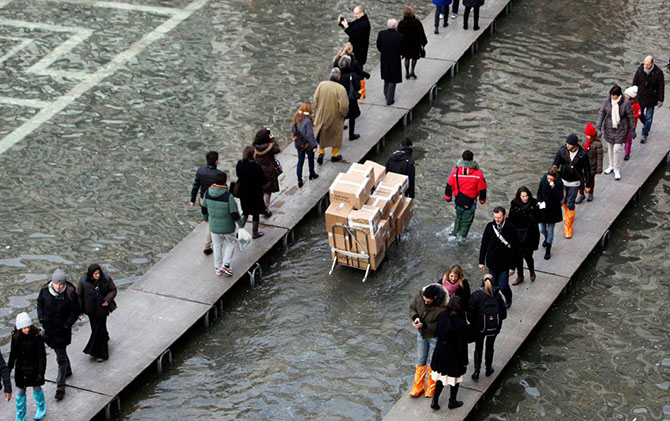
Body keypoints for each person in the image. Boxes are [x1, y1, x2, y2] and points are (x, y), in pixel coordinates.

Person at [36, 268, 80, 400]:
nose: (59, 287)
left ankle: (60, 387)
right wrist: (41, 318)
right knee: (59, 351)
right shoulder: (44, 291)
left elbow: (75, 311)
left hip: (62, 330)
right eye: (57, 284)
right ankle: (68, 370)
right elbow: (39, 304)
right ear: (53, 282)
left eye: (61, 284)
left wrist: (67, 324)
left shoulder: (70, 293)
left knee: (60, 357)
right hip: (49, 328)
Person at [202, 172, 245, 276]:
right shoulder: (228, 196)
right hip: (227, 227)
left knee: (217, 246)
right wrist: (241, 224)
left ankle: (217, 268)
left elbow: (204, 209)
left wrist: (206, 219)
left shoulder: (207, 193)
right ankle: (225, 265)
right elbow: (234, 213)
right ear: (225, 182)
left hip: (213, 227)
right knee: (231, 243)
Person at [429, 296, 469, 410]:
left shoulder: (441, 316)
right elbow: (463, 344)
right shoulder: (461, 324)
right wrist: (464, 362)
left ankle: (435, 401)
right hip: (455, 357)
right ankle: (452, 401)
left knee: (441, 379)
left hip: (441, 354)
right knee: (455, 380)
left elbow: (436, 333)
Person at [408, 284, 448, 398]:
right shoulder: (420, 296)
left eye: (428, 301)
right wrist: (415, 317)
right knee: (421, 359)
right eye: (424, 300)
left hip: (434, 336)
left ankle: (431, 386)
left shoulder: (443, 308)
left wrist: (424, 325)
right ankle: (418, 386)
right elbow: (412, 308)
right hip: (421, 334)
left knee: (433, 361)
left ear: (435, 298)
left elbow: (440, 325)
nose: (425, 302)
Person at [468, 274, 506, 381]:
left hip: (479, 328)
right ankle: (488, 369)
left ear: (482, 282)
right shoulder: (497, 296)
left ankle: (476, 372)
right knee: (490, 346)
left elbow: (470, 314)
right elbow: (503, 314)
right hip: (494, 328)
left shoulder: (476, 296)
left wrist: (474, 324)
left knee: (478, 348)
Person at [8, 313, 46, 421]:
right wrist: (8, 368)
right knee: (20, 393)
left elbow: (41, 356)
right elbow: (13, 354)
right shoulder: (15, 337)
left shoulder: (36, 336)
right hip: (21, 370)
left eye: (28, 327)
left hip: (34, 369)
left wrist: (41, 373)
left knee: (37, 388)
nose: (27, 329)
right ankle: (20, 416)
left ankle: (41, 409)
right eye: (24, 328)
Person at [478, 206, 518, 308]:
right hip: (492, 262)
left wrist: (512, 267)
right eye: (495, 217)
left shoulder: (511, 228)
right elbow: (484, 244)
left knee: (503, 286)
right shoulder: (489, 227)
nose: (497, 219)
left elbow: (515, 249)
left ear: (505, 216)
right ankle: (496, 302)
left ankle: (508, 299)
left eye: (499, 217)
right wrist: (481, 261)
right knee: (493, 286)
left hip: (505, 263)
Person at [552, 134, 590, 239]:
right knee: (563, 201)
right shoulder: (562, 151)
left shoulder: (583, 154)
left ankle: (568, 227)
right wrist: (553, 175)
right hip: (563, 181)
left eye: (569, 144)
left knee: (570, 203)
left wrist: (588, 185)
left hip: (575, 183)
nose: (567, 145)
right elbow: (555, 163)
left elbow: (587, 170)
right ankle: (568, 214)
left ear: (574, 145)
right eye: (567, 143)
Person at [77, 264, 117, 362]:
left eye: (99, 273)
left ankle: (102, 354)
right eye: (95, 274)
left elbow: (113, 290)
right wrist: (80, 311)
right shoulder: (83, 281)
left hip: (102, 309)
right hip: (91, 310)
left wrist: (107, 299)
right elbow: (79, 296)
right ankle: (104, 339)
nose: (98, 276)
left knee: (100, 329)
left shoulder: (106, 279)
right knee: (96, 328)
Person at [444, 150, 487, 238]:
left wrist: (448, 198)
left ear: (462, 159)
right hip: (470, 202)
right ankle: (460, 240)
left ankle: (454, 234)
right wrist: (482, 200)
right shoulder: (478, 174)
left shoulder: (455, 172)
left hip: (458, 200)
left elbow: (449, 186)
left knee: (458, 218)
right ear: (472, 159)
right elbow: (482, 189)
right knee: (466, 222)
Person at [595, 85, 634, 180]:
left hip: (621, 128)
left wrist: (632, 129)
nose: (612, 97)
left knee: (617, 149)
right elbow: (602, 113)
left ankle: (616, 169)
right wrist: (598, 126)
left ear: (619, 95)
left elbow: (630, 116)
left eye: (614, 96)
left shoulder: (626, 103)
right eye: (611, 95)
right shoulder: (607, 101)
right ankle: (611, 165)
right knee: (610, 147)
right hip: (609, 127)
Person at [189, 151, 224, 255]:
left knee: (209, 221)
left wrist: (192, 199)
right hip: (215, 201)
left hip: (203, 200)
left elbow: (195, 186)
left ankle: (208, 245)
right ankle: (208, 245)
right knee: (213, 222)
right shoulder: (219, 174)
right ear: (216, 161)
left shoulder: (200, 171)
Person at [314, 68, 349, 164]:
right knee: (335, 135)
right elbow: (344, 106)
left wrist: (319, 108)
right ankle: (334, 154)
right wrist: (343, 114)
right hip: (335, 116)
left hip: (322, 114)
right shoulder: (340, 89)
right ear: (339, 77)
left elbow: (315, 99)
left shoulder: (322, 85)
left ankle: (321, 152)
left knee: (322, 134)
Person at [508, 187, 540, 285]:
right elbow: (511, 218)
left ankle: (531, 270)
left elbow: (538, 217)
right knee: (518, 256)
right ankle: (520, 275)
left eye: (526, 196)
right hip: (518, 233)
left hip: (530, 233)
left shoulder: (534, 203)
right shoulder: (514, 203)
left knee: (528, 255)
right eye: (523, 196)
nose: (525, 198)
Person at [235, 146, 267, 238]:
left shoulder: (240, 164)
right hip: (255, 193)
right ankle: (255, 232)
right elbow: (263, 180)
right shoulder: (256, 167)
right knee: (255, 213)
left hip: (243, 192)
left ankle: (239, 231)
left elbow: (238, 175)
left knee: (245, 212)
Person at [632, 55, 664, 143]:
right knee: (640, 114)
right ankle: (646, 124)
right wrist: (633, 95)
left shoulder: (658, 72)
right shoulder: (640, 70)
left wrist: (661, 99)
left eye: (648, 64)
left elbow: (661, 86)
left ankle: (644, 134)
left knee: (649, 117)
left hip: (651, 99)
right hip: (640, 97)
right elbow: (634, 83)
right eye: (645, 64)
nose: (646, 66)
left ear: (652, 63)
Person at [252, 128, 281, 216]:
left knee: (260, 189)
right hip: (269, 171)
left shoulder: (254, 146)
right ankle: (265, 209)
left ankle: (259, 206)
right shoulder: (270, 146)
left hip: (258, 170)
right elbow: (277, 149)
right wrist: (272, 139)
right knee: (267, 191)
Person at [536, 168, 564, 260]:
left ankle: (548, 247)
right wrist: (539, 201)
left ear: (555, 178)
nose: (549, 181)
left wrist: (554, 188)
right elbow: (539, 192)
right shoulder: (543, 180)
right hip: (543, 209)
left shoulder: (559, 184)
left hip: (553, 210)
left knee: (550, 230)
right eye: (548, 178)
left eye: (551, 179)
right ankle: (547, 239)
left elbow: (560, 197)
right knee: (542, 229)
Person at [290, 102, 319, 188]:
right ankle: (312, 174)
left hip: (299, 144)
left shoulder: (296, 116)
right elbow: (310, 135)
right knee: (310, 159)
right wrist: (314, 145)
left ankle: (299, 179)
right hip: (307, 145)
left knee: (300, 161)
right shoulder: (308, 120)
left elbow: (292, 129)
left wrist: (296, 137)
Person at [376, 19, 405, 106]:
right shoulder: (400, 36)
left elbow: (378, 46)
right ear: (396, 26)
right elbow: (402, 49)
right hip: (395, 59)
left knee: (386, 77)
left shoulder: (381, 34)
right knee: (393, 79)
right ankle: (390, 99)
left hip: (384, 58)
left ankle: (386, 94)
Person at [398, 6, 427, 78]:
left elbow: (398, 35)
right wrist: (423, 42)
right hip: (415, 44)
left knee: (406, 58)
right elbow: (421, 33)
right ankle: (412, 71)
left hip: (405, 45)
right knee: (414, 58)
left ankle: (407, 73)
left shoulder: (401, 23)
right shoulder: (417, 23)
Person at [577, 122, 603, 203]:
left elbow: (599, 157)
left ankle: (591, 192)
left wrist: (599, 168)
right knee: (580, 179)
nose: (586, 136)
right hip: (583, 164)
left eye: (587, 135)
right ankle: (581, 194)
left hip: (592, 165)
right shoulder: (584, 140)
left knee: (591, 180)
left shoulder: (597, 144)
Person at [337, 56, 362, 141]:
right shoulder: (353, 76)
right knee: (352, 117)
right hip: (351, 99)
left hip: (341, 99)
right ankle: (351, 135)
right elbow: (358, 87)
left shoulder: (339, 76)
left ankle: (338, 136)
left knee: (341, 117)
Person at [623, 86, 642, 161]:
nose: (625, 96)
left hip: (631, 124)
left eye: (627, 95)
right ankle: (626, 144)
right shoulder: (624, 103)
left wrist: (632, 116)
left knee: (629, 139)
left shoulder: (636, 105)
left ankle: (627, 153)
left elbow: (639, 113)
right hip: (624, 123)